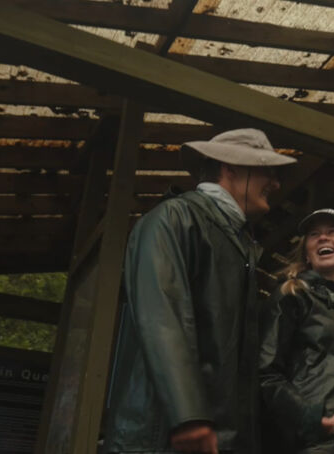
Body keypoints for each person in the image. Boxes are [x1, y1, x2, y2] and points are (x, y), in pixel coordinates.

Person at [102, 129, 296, 454]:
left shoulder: (239, 244)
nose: (275, 183)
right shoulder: (173, 219)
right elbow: (162, 316)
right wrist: (189, 415)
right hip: (163, 439)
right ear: (230, 167)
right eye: (268, 170)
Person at [259, 209, 334, 453]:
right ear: (306, 252)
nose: (323, 238)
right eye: (314, 234)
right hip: (311, 444)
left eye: (333, 231)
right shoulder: (293, 296)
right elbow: (265, 373)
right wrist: (308, 416)